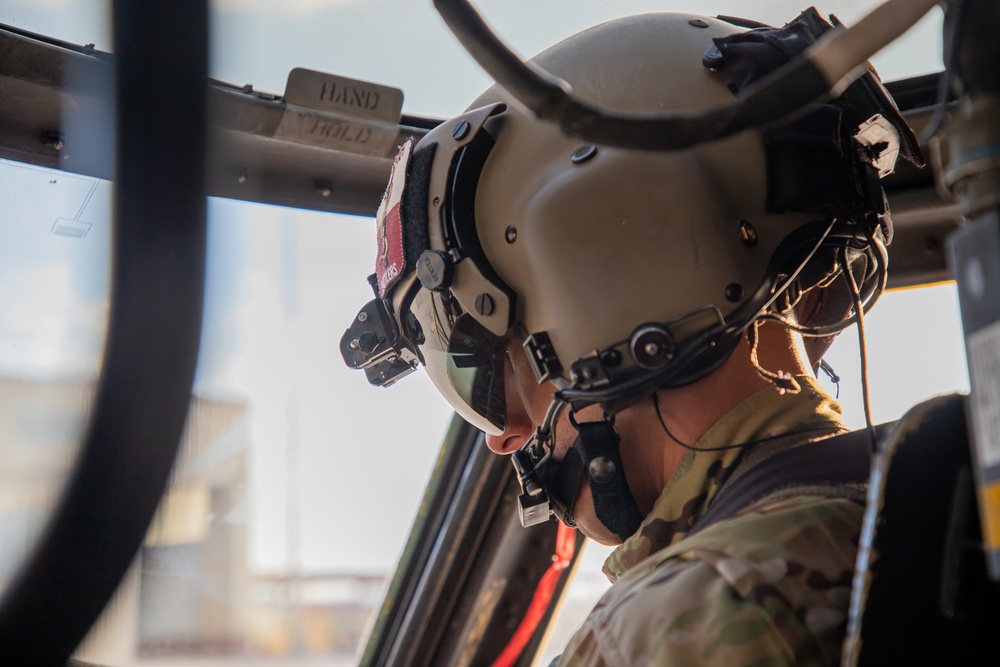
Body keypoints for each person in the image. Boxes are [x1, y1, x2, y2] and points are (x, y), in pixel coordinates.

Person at [342, 8, 921, 666]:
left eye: (485, 375)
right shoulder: (925, 508)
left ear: (604, 291)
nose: (500, 435)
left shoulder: (673, 627)